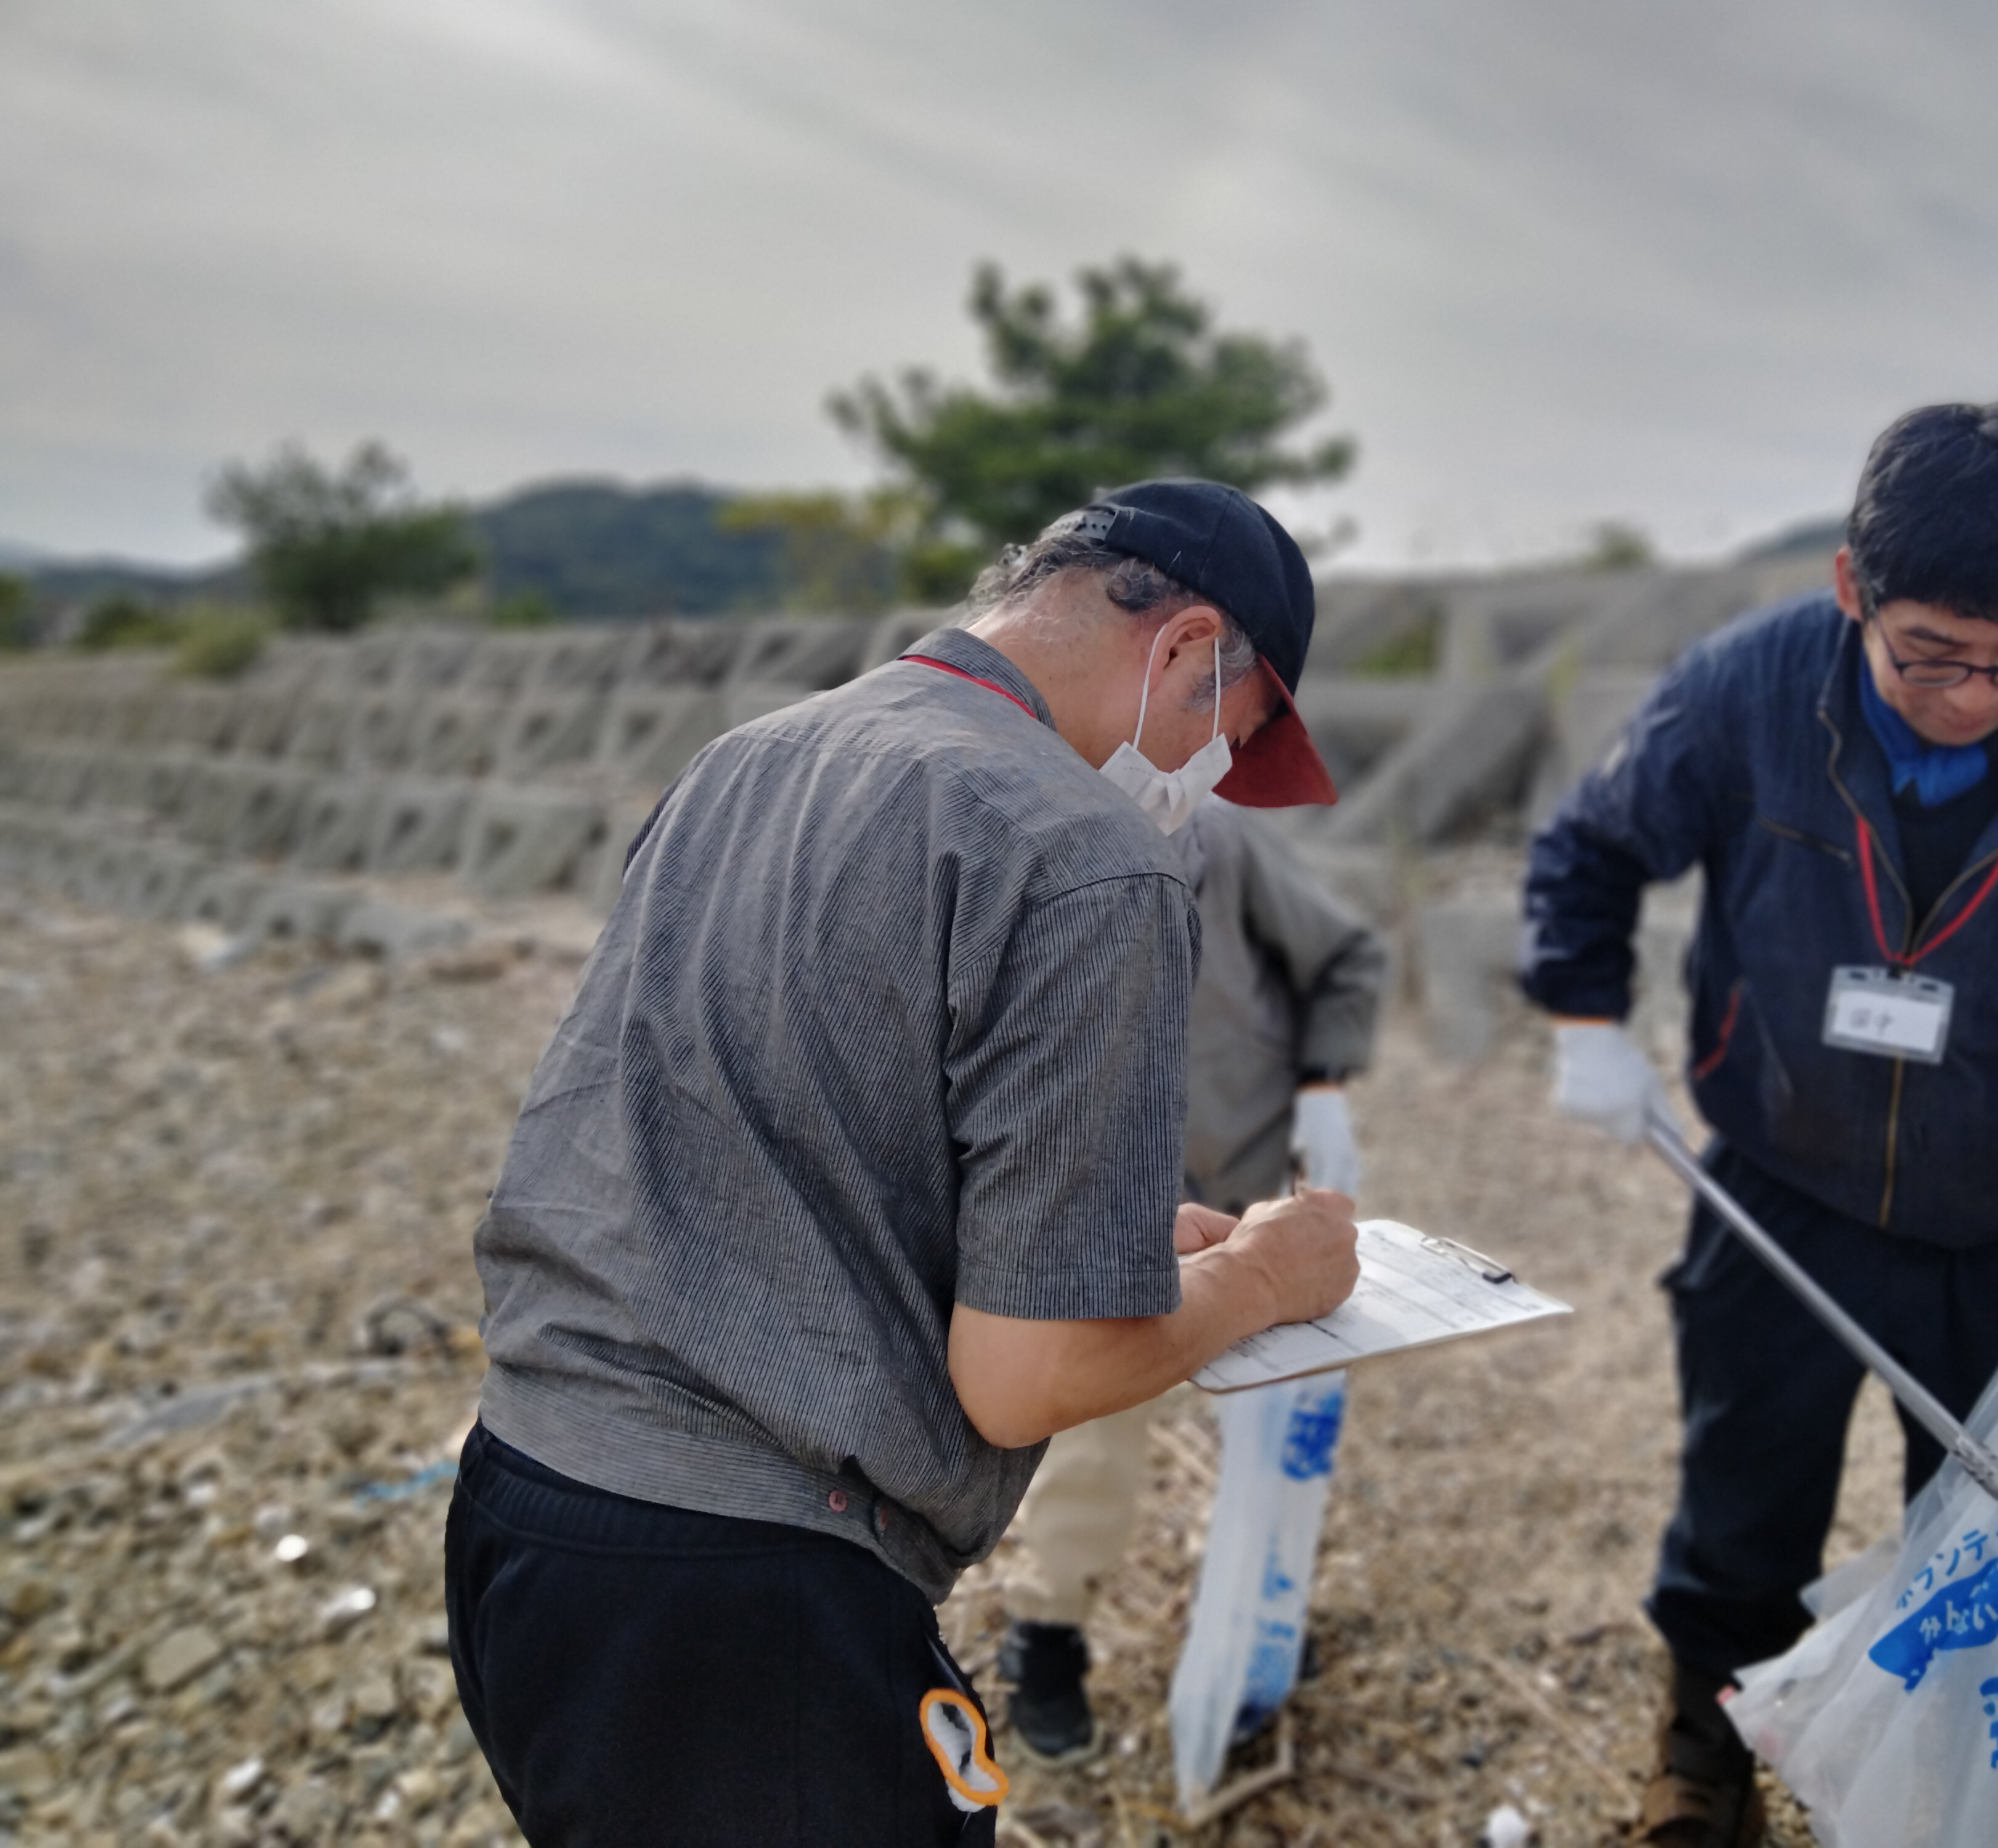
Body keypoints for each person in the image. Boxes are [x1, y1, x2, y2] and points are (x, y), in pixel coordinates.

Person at [445, 479, 1362, 1847]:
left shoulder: (751, 756)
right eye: (1211, 741)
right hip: (746, 1605)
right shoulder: (1087, 858)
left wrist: (1098, 1235)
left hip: (528, 1514)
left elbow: (762, 1130)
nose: (1199, 788)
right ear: (1180, 649)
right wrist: (1265, 1281)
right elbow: (1027, 1382)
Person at [1519, 401, 1998, 1847]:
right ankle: (1704, 1743)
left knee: (1997, 1524)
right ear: (1852, 586)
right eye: (1929, 654)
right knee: (1743, 1481)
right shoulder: (1748, 686)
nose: (1973, 695)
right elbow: (1589, 845)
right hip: (1782, 1178)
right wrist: (1582, 1018)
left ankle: (1967, 1778)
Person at [996, 792, 1388, 1760]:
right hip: (1112, 1200)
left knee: (1285, 1430)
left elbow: (1345, 958)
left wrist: (1325, 1083)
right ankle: (1045, 1629)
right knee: (1089, 1424)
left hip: (1253, 1183)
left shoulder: (1223, 840)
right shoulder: (1013, 846)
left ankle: (1262, 1623)